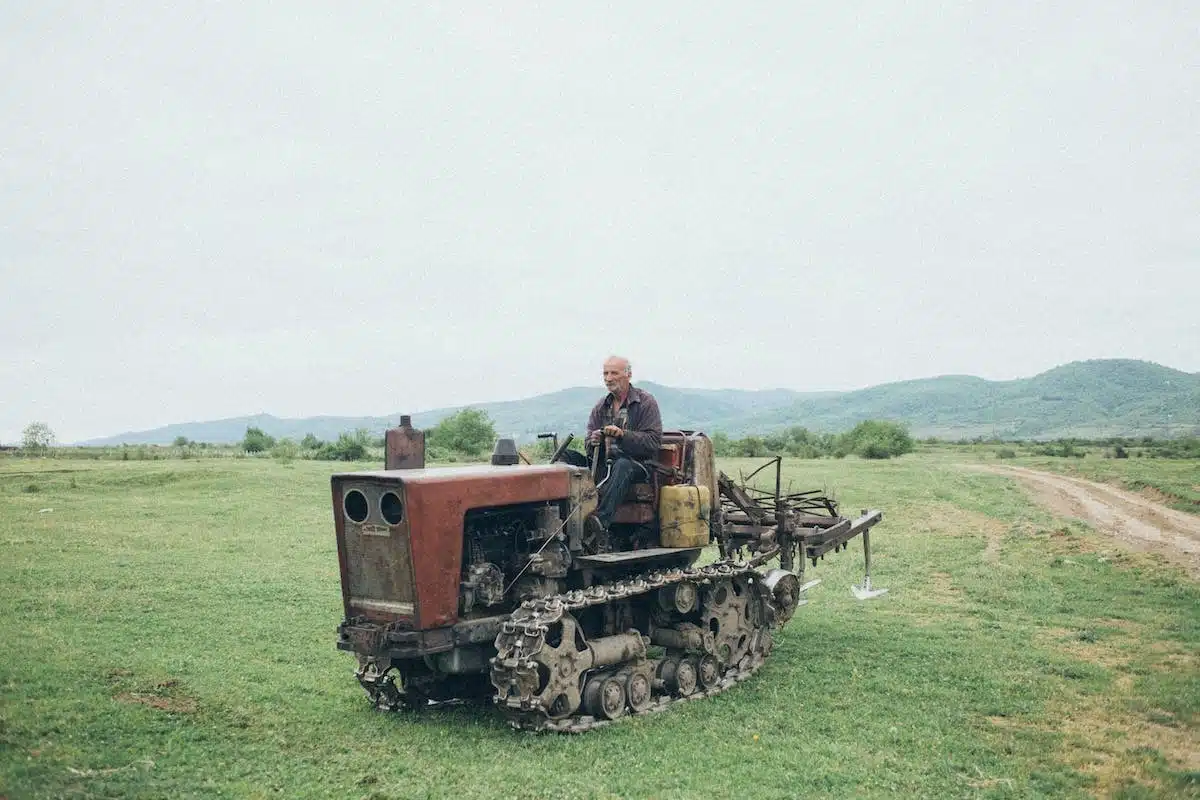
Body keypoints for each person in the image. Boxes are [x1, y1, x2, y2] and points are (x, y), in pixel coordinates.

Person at [584, 356, 662, 540]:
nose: (608, 378)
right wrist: (593, 440)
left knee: (622, 465)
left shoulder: (645, 403)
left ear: (628, 375)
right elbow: (588, 441)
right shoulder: (601, 406)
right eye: (605, 373)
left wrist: (622, 435)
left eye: (614, 373)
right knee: (568, 459)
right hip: (605, 464)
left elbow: (653, 442)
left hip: (638, 465)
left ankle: (598, 525)